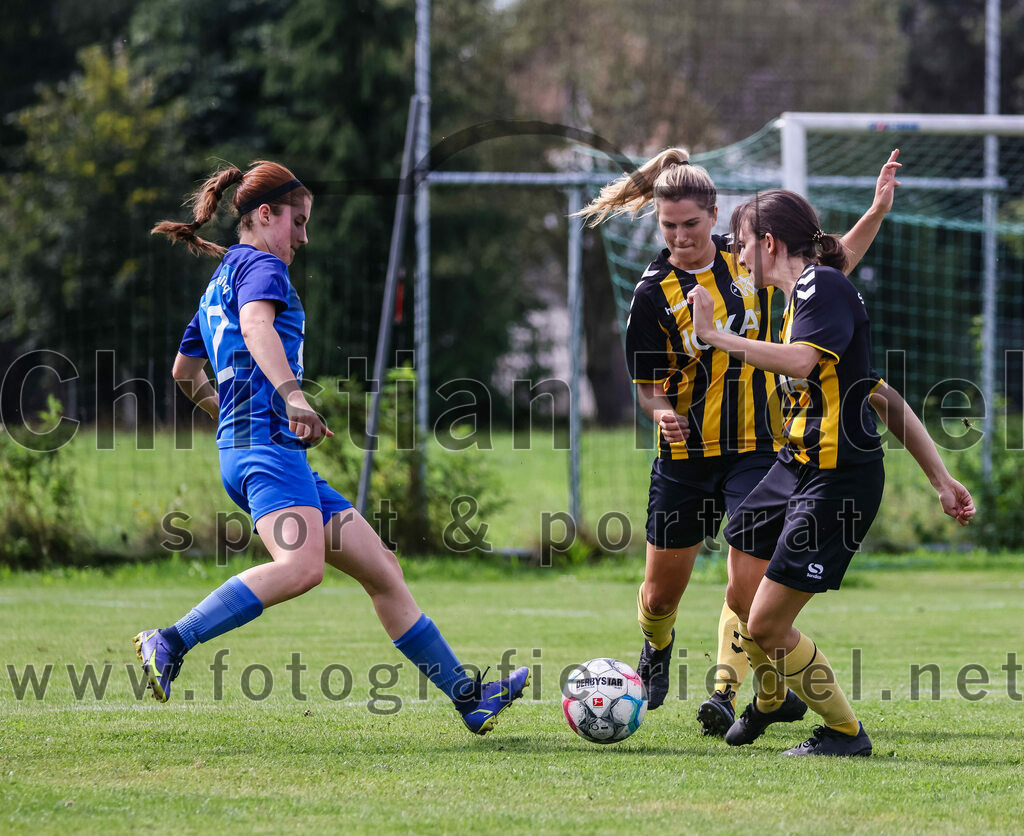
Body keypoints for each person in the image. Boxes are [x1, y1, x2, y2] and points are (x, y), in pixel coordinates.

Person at [135, 160, 529, 735]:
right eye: (297, 221)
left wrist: (229, 417)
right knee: (301, 567)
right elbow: (255, 329)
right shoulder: (262, 268)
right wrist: (292, 398)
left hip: (258, 450)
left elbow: (182, 371)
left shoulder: (220, 279)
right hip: (267, 450)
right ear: (264, 215)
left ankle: (469, 697)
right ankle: (170, 639)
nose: (303, 236)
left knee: (383, 571)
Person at [577, 148, 903, 736]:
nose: (679, 236)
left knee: (748, 583)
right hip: (684, 456)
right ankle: (657, 646)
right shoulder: (652, 294)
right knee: (658, 593)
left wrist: (876, 212)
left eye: (691, 225)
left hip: (759, 447)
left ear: (714, 216)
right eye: (667, 226)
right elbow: (648, 390)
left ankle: (730, 692)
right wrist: (660, 415)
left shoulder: (750, 255)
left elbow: (828, 271)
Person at [686, 189, 975, 756]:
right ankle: (775, 699)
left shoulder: (822, 288)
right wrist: (942, 480)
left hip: (836, 480)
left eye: (743, 244)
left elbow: (801, 361)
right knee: (741, 590)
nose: (738, 257)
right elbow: (881, 396)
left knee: (767, 624)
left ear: (769, 243)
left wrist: (717, 336)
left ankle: (845, 734)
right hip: (792, 467)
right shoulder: (806, 294)